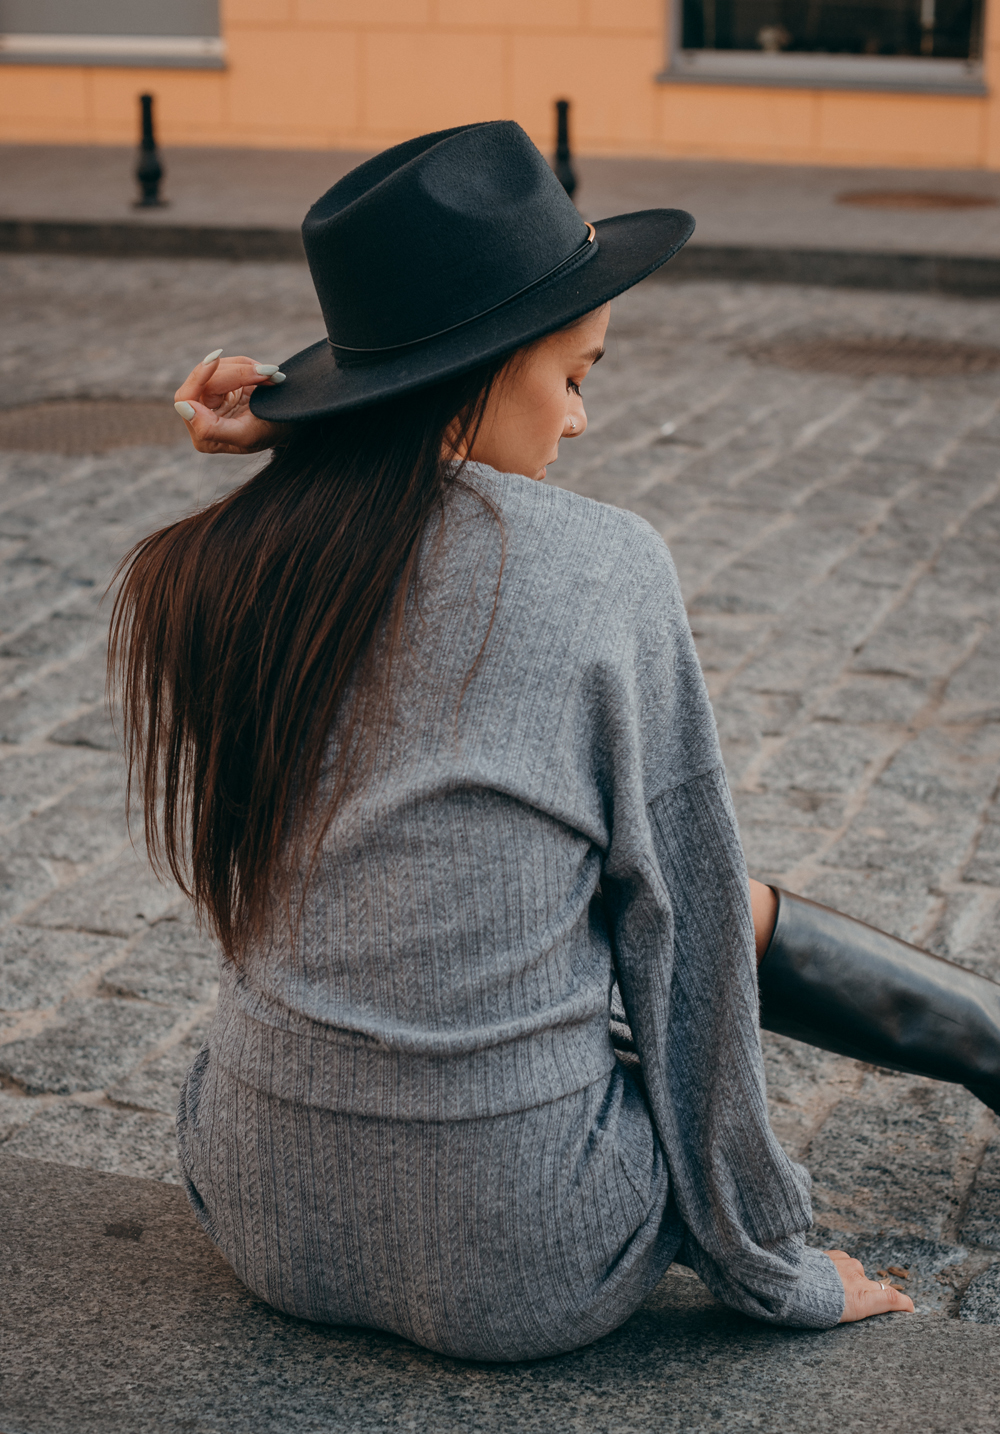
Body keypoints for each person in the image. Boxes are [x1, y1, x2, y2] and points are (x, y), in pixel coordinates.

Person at [113, 122, 999, 1361]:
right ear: (477, 369)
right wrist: (774, 1266)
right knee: (691, 906)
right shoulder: (602, 566)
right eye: (573, 373)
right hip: (528, 1264)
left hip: (258, 1212)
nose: (578, 420)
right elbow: (680, 926)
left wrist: (308, 432)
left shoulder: (200, 576)